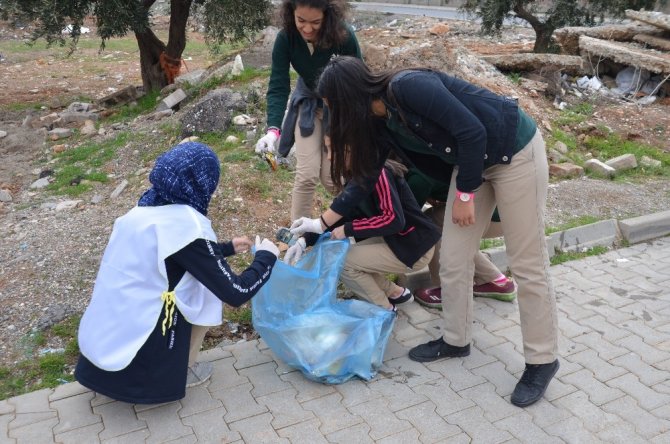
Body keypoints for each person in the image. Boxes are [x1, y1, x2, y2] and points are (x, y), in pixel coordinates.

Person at [292, 56, 559, 408]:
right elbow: (364, 179)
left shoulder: (408, 87)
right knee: (452, 258)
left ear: (348, 98)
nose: (331, 116)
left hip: (513, 152)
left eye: (331, 106)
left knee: (527, 263)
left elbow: (471, 131)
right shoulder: (376, 123)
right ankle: (455, 340)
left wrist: (463, 194)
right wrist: (319, 225)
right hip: (472, 164)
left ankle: (542, 360)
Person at [75, 142, 279, 404]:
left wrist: (225, 248)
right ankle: (178, 372)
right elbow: (235, 292)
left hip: (105, 335)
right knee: (205, 293)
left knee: (193, 281)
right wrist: (266, 258)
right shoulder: (187, 225)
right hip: (141, 364)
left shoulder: (142, 210)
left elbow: (171, 254)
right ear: (203, 182)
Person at [285, 136, 440, 311]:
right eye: (327, 150)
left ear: (351, 149)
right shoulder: (358, 176)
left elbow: (394, 220)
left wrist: (348, 229)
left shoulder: (379, 174)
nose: (329, 158)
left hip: (414, 246)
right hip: (398, 240)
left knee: (344, 262)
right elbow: (340, 215)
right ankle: (395, 293)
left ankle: (384, 311)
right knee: (350, 255)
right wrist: (305, 239)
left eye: (333, 150)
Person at [255, 0, 362, 221]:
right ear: (290, 13)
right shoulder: (286, 38)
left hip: (339, 108)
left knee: (333, 180)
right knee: (306, 175)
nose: (307, 28)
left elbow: (358, 83)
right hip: (308, 107)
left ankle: (352, 225)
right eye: (301, 20)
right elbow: (278, 84)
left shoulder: (344, 36)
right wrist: (272, 130)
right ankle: (298, 236)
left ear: (328, 16)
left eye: (316, 22)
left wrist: (354, 128)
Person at [405, 169, 516, 309]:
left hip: (491, 218)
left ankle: (447, 291)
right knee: (440, 223)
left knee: (429, 225)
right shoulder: (423, 159)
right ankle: (496, 281)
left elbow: (408, 219)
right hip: (506, 212)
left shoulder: (417, 176)